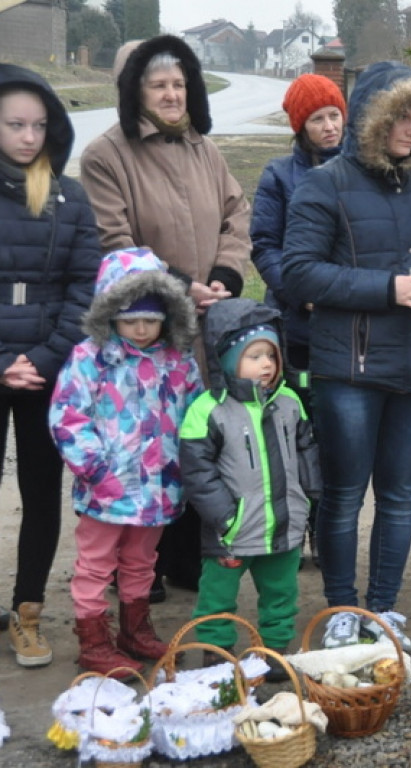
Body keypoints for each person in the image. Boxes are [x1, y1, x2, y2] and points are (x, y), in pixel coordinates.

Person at [282, 61, 411, 653]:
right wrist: (387, 289)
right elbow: (298, 272)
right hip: (350, 372)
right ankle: (341, 610)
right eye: (401, 116)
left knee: (399, 495)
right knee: (343, 496)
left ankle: (383, 611)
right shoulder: (323, 184)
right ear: (372, 116)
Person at [80, 35, 252, 601]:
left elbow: (235, 213)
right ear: (134, 91)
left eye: (179, 83)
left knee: (194, 441)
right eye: (159, 85)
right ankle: (134, 572)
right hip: (144, 330)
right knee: (140, 445)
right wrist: (178, 287)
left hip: (205, 322)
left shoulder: (204, 148)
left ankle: (181, 560)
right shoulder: (106, 156)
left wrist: (225, 277)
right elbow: (114, 242)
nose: (172, 94)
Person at [49, 248, 202, 678]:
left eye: (151, 320)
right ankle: (93, 640)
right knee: (96, 562)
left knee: (142, 560)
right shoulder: (89, 358)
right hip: (106, 487)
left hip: (159, 485)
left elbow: (193, 414)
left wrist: (188, 466)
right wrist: (95, 470)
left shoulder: (177, 360)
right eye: (130, 319)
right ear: (110, 314)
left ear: (167, 317)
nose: (140, 329)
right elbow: (68, 416)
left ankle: (135, 629)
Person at [0, 63, 101, 667]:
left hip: (46, 371)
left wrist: (40, 358)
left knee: (41, 494)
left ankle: (28, 610)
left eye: (39, 125)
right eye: (15, 124)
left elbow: (84, 287)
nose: (28, 137)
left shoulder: (70, 197)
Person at [180, 298, 320, 677]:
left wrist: (311, 493)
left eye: (271, 356)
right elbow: (197, 472)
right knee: (217, 596)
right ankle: (214, 651)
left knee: (281, 594)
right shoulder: (208, 409)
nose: (266, 365)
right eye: (254, 356)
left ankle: (274, 649)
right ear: (228, 359)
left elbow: (306, 446)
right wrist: (225, 517)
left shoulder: (289, 401)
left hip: (283, 523)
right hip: (233, 530)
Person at [251, 73, 348, 568]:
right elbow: (265, 245)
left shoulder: (361, 168)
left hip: (350, 325)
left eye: (335, 115)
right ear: (300, 125)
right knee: (296, 427)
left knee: (338, 434)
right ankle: (298, 521)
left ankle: (329, 527)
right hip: (299, 326)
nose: (329, 127)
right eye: (318, 119)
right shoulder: (279, 176)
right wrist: (299, 292)